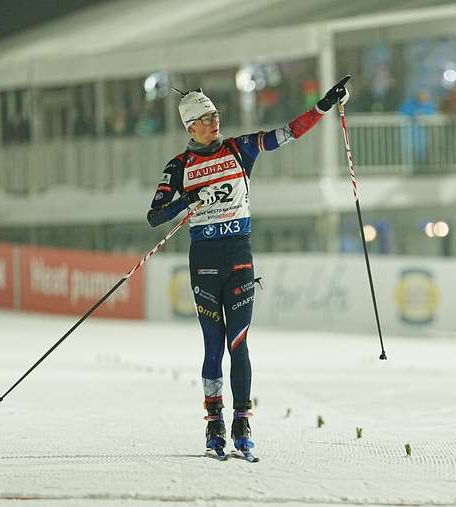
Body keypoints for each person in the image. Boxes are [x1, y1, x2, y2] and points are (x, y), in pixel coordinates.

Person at [146, 76, 351, 459]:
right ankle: (214, 423)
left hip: (239, 259)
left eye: (215, 115)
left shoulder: (240, 149)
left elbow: (286, 134)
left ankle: (242, 422)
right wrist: (189, 198)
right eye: (206, 118)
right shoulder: (179, 166)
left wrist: (323, 106)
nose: (214, 122)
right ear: (190, 126)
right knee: (212, 347)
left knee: (238, 344)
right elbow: (154, 216)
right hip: (204, 264)